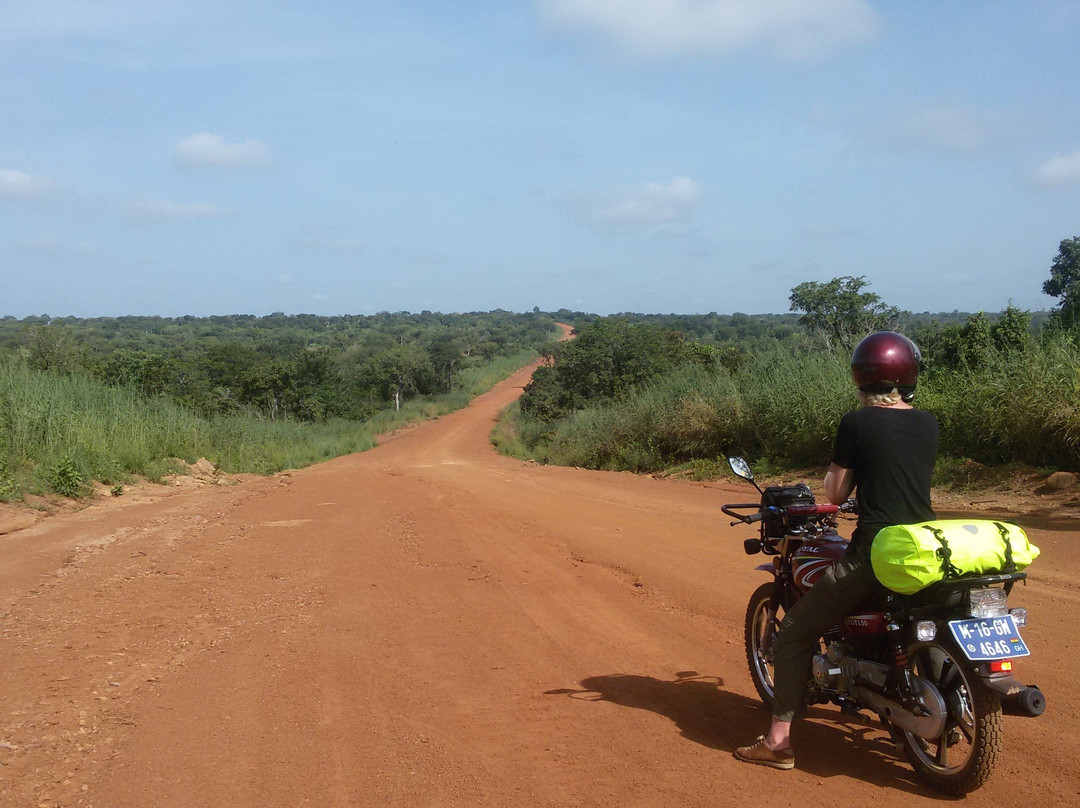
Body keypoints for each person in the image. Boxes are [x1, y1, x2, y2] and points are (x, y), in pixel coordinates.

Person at [734, 331, 939, 770]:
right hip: (924, 548)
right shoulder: (928, 422)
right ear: (907, 375)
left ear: (861, 375)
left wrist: (845, 489)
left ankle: (778, 742)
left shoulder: (857, 422)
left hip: (876, 551)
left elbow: (836, 488)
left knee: (792, 636)